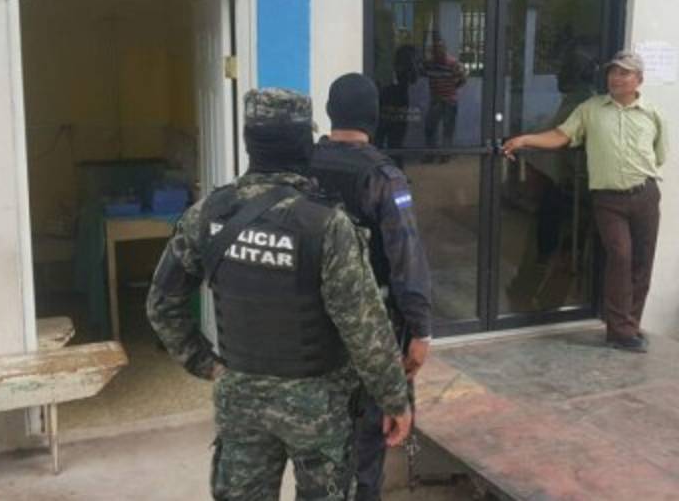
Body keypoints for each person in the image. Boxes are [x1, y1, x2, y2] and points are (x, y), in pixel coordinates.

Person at [146, 89, 412, 500]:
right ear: (305, 145)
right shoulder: (326, 224)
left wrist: (208, 365)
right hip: (317, 407)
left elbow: (161, 305)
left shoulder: (208, 214)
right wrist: (394, 400)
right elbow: (365, 330)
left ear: (249, 143)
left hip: (241, 401)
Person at [310, 73, 433, 501]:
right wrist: (420, 331)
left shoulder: (300, 166)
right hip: (368, 330)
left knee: (317, 450)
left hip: (307, 326)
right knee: (367, 443)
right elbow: (406, 260)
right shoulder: (383, 176)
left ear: (330, 111)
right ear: (375, 117)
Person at [502, 51, 667, 353]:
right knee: (620, 257)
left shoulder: (652, 113)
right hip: (608, 199)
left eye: (624, 73)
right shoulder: (590, 109)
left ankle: (631, 325)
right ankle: (619, 331)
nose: (616, 78)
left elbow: (660, 155)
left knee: (642, 262)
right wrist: (525, 139)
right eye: (613, 72)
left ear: (639, 80)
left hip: (645, 194)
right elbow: (560, 136)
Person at [422, 34, 466, 153]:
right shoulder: (430, 63)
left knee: (447, 129)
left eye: (440, 49)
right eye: (435, 49)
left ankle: (445, 154)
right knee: (430, 127)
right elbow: (420, 72)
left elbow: (463, 78)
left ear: (445, 49)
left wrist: (452, 88)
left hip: (449, 100)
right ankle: (431, 153)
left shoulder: (452, 63)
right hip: (436, 99)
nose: (438, 51)